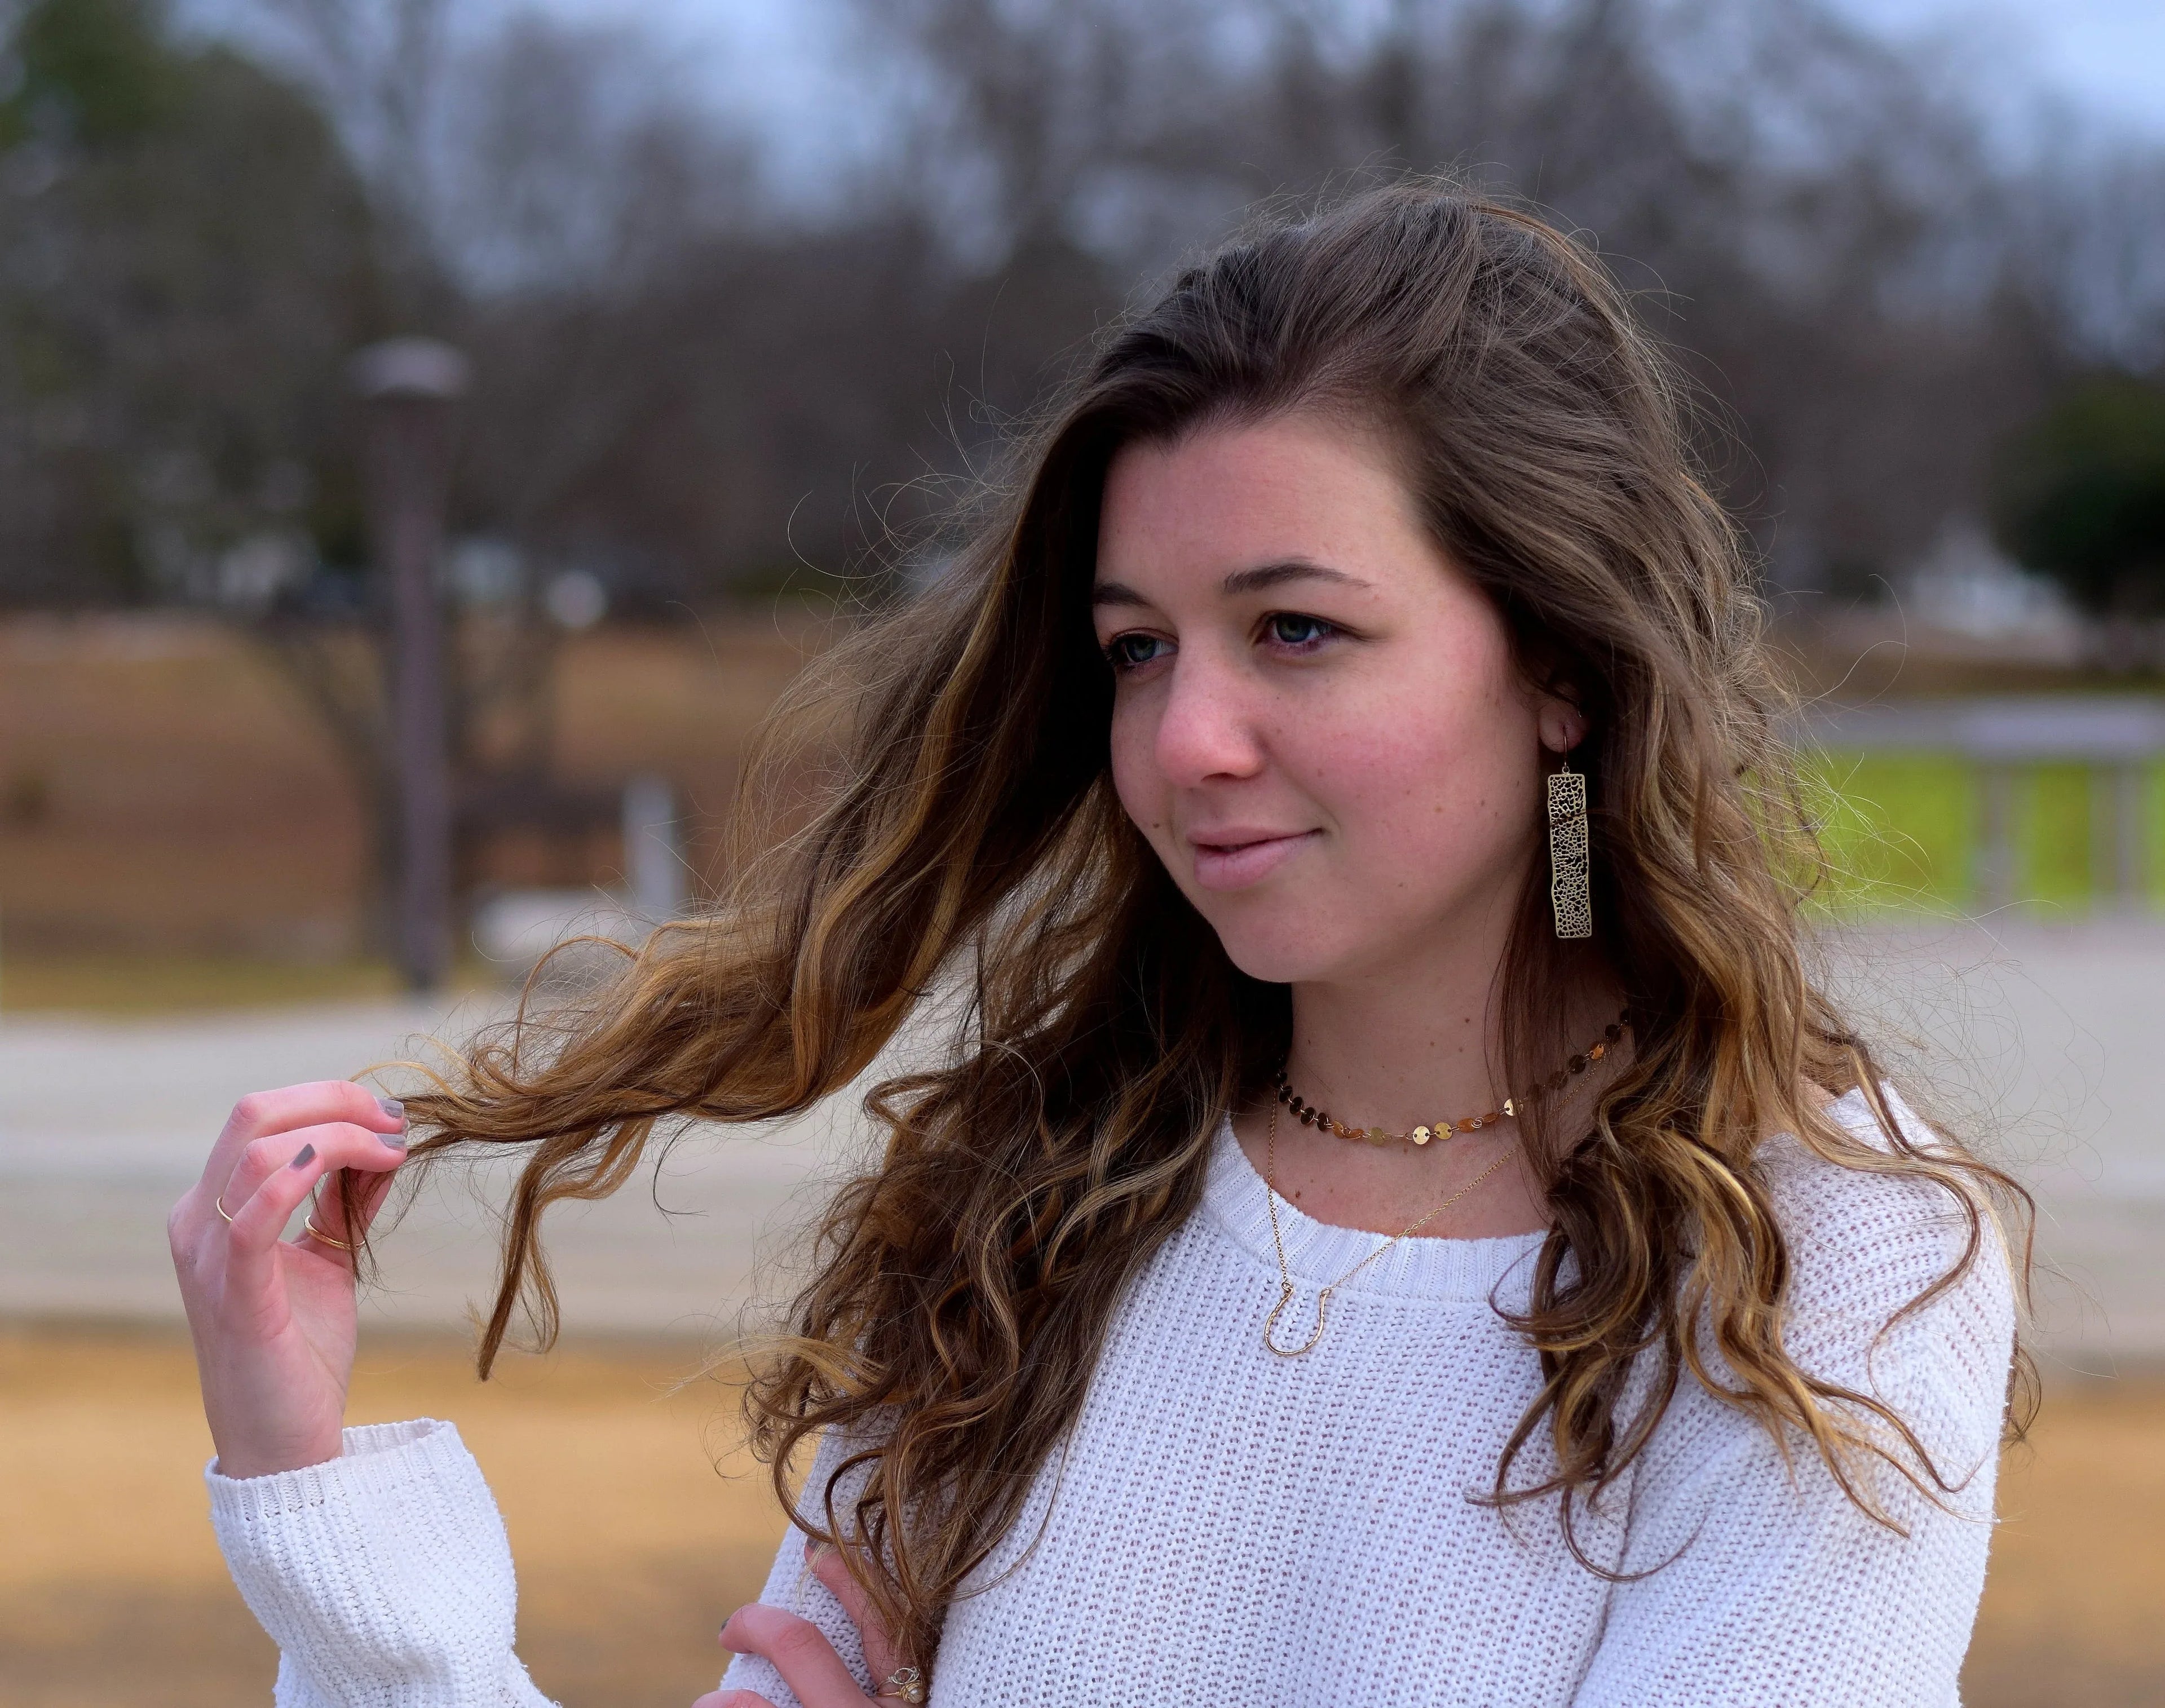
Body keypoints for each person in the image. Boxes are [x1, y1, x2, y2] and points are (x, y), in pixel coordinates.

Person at [171, 182, 2026, 1708]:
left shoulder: (1823, 1264)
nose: (1185, 738)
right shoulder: (1039, 1211)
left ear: (1556, 662)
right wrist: (305, 1484)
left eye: (1294, 628)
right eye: (1139, 647)